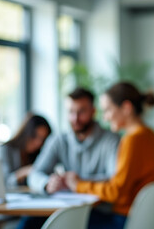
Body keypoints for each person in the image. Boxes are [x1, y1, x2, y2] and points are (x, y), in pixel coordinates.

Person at [64, 82, 154, 229]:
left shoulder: (133, 139)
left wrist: (78, 185)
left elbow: (116, 192)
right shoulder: (151, 136)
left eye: (107, 110)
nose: (105, 118)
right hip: (141, 219)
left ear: (126, 108)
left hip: (124, 220)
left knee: (65, 221)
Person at [17, 88, 120, 229]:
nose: (75, 118)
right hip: (65, 209)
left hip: (99, 211)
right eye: (71, 112)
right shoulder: (58, 140)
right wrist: (47, 184)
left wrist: (77, 181)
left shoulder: (111, 140)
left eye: (81, 111)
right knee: (28, 224)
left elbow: (115, 179)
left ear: (93, 111)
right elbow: (35, 173)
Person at [0, 114, 51, 188]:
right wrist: (26, 171)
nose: (38, 142)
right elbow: (0, 183)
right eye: (34, 136)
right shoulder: (3, 150)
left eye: (43, 139)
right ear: (26, 132)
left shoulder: (38, 154)